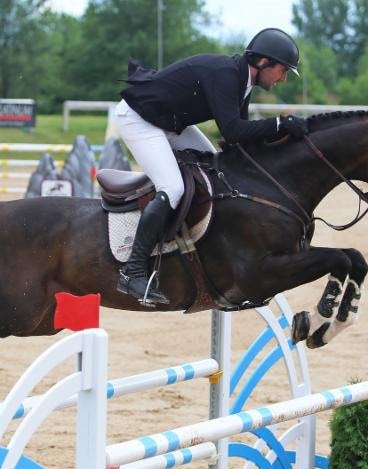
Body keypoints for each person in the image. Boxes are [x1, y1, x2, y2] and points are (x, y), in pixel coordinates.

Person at [115, 27, 308, 306]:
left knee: (219, 170)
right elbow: (233, 131)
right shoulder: (227, 75)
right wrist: (280, 124)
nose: (283, 78)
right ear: (263, 62)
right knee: (173, 187)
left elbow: (238, 143)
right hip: (139, 119)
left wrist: (283, 145)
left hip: (169, 122)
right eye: (283, 70)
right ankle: (132, 271)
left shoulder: (243, 80)